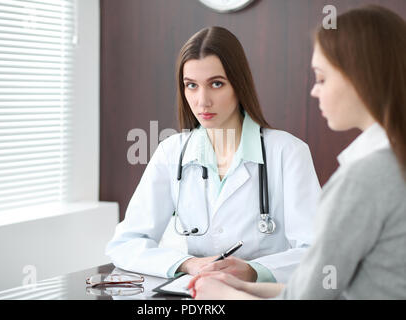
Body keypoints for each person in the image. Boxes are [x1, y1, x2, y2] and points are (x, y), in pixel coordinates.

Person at [188, 5, 406, 299]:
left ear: (362, 78)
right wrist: (246, 287)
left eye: (321, 78)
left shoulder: (362, 180)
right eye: (190, 85)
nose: (314, 91)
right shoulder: (392, 163)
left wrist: (221, 295)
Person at [106, 26, 321, 283]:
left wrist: (254, 270)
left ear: (239, 85)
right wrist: (188, 263)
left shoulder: (288, 153)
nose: (202, 101)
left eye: (216, 84)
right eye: (191, 86)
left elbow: (317, 251)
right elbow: (126, 243)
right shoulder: (171, 152)